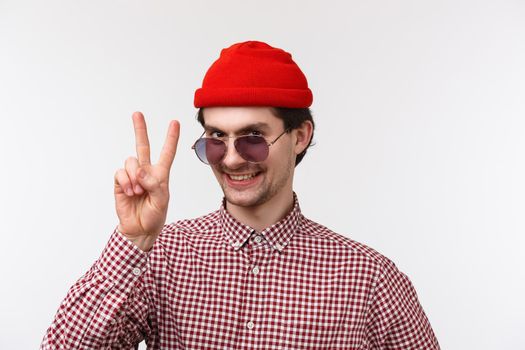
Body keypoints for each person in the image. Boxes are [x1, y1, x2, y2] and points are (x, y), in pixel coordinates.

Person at [41, 41, 440, 349]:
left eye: (253, 138)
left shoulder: (369, 280)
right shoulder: (160, 255)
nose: (231, 160)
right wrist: (134, 241)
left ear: (300, 136)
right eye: (216, 139)